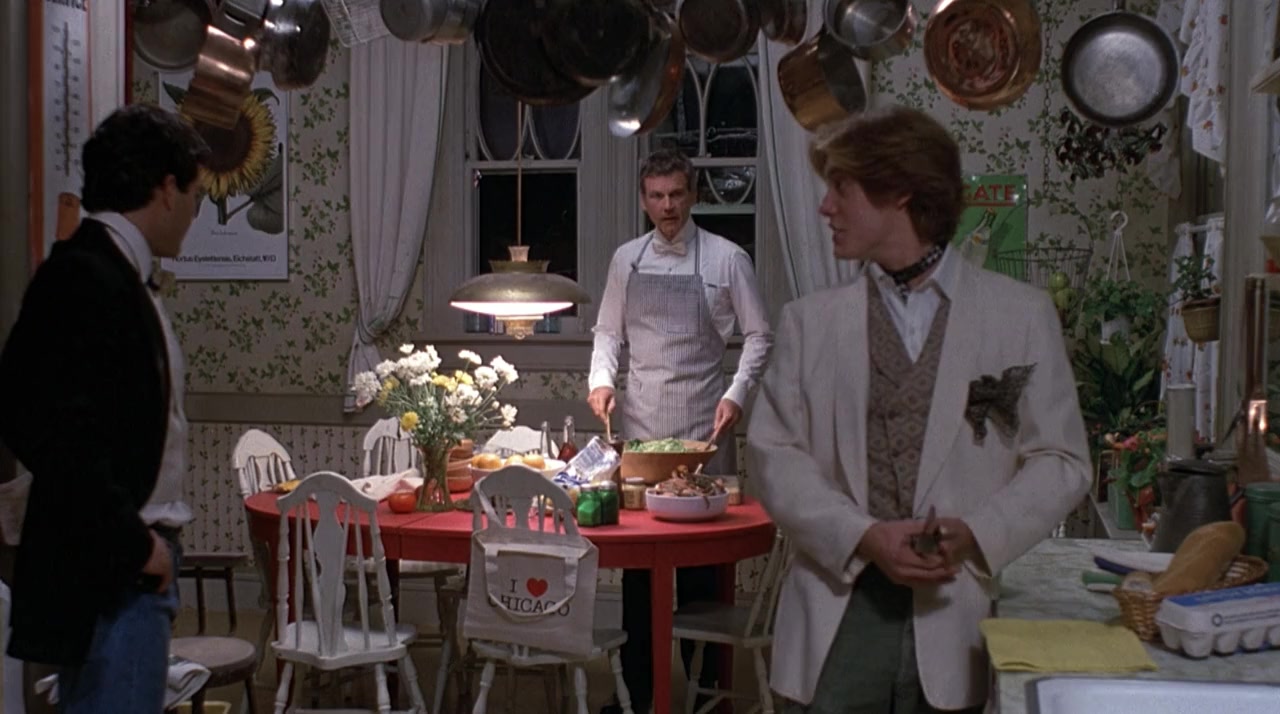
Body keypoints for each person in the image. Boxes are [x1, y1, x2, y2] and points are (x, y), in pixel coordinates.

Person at [746, 106, 1091, 714]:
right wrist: (863, 535)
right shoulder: (809, 323)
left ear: (900, 192)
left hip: (957, 613)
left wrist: (979, 532)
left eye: (842, 188)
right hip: (838, 612)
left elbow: (1062, 460)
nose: (825, 207)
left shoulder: (1019, 315)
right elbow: (774, 455)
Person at [0, 103, 209, 712]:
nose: (194, 213)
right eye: (193, 195)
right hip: (113, 571)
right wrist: (133, 542)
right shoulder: (86, 274)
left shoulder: (115, 271)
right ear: (165, 189)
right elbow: (44, 423)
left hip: (127, 563)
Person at [588, 147, 773, 713]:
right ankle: (637, 696)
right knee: (639, 575)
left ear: (692, 195)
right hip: (643, 434)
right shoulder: (627, 260)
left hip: (704, 430)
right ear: (644, 200)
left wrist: (736, 394)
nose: (666, 206)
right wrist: (601, 381)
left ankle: (703, 698)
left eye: (675, 194)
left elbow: (760, 336)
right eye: (656, 196)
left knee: (702, 575)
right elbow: (607, 333)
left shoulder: (726, 258)